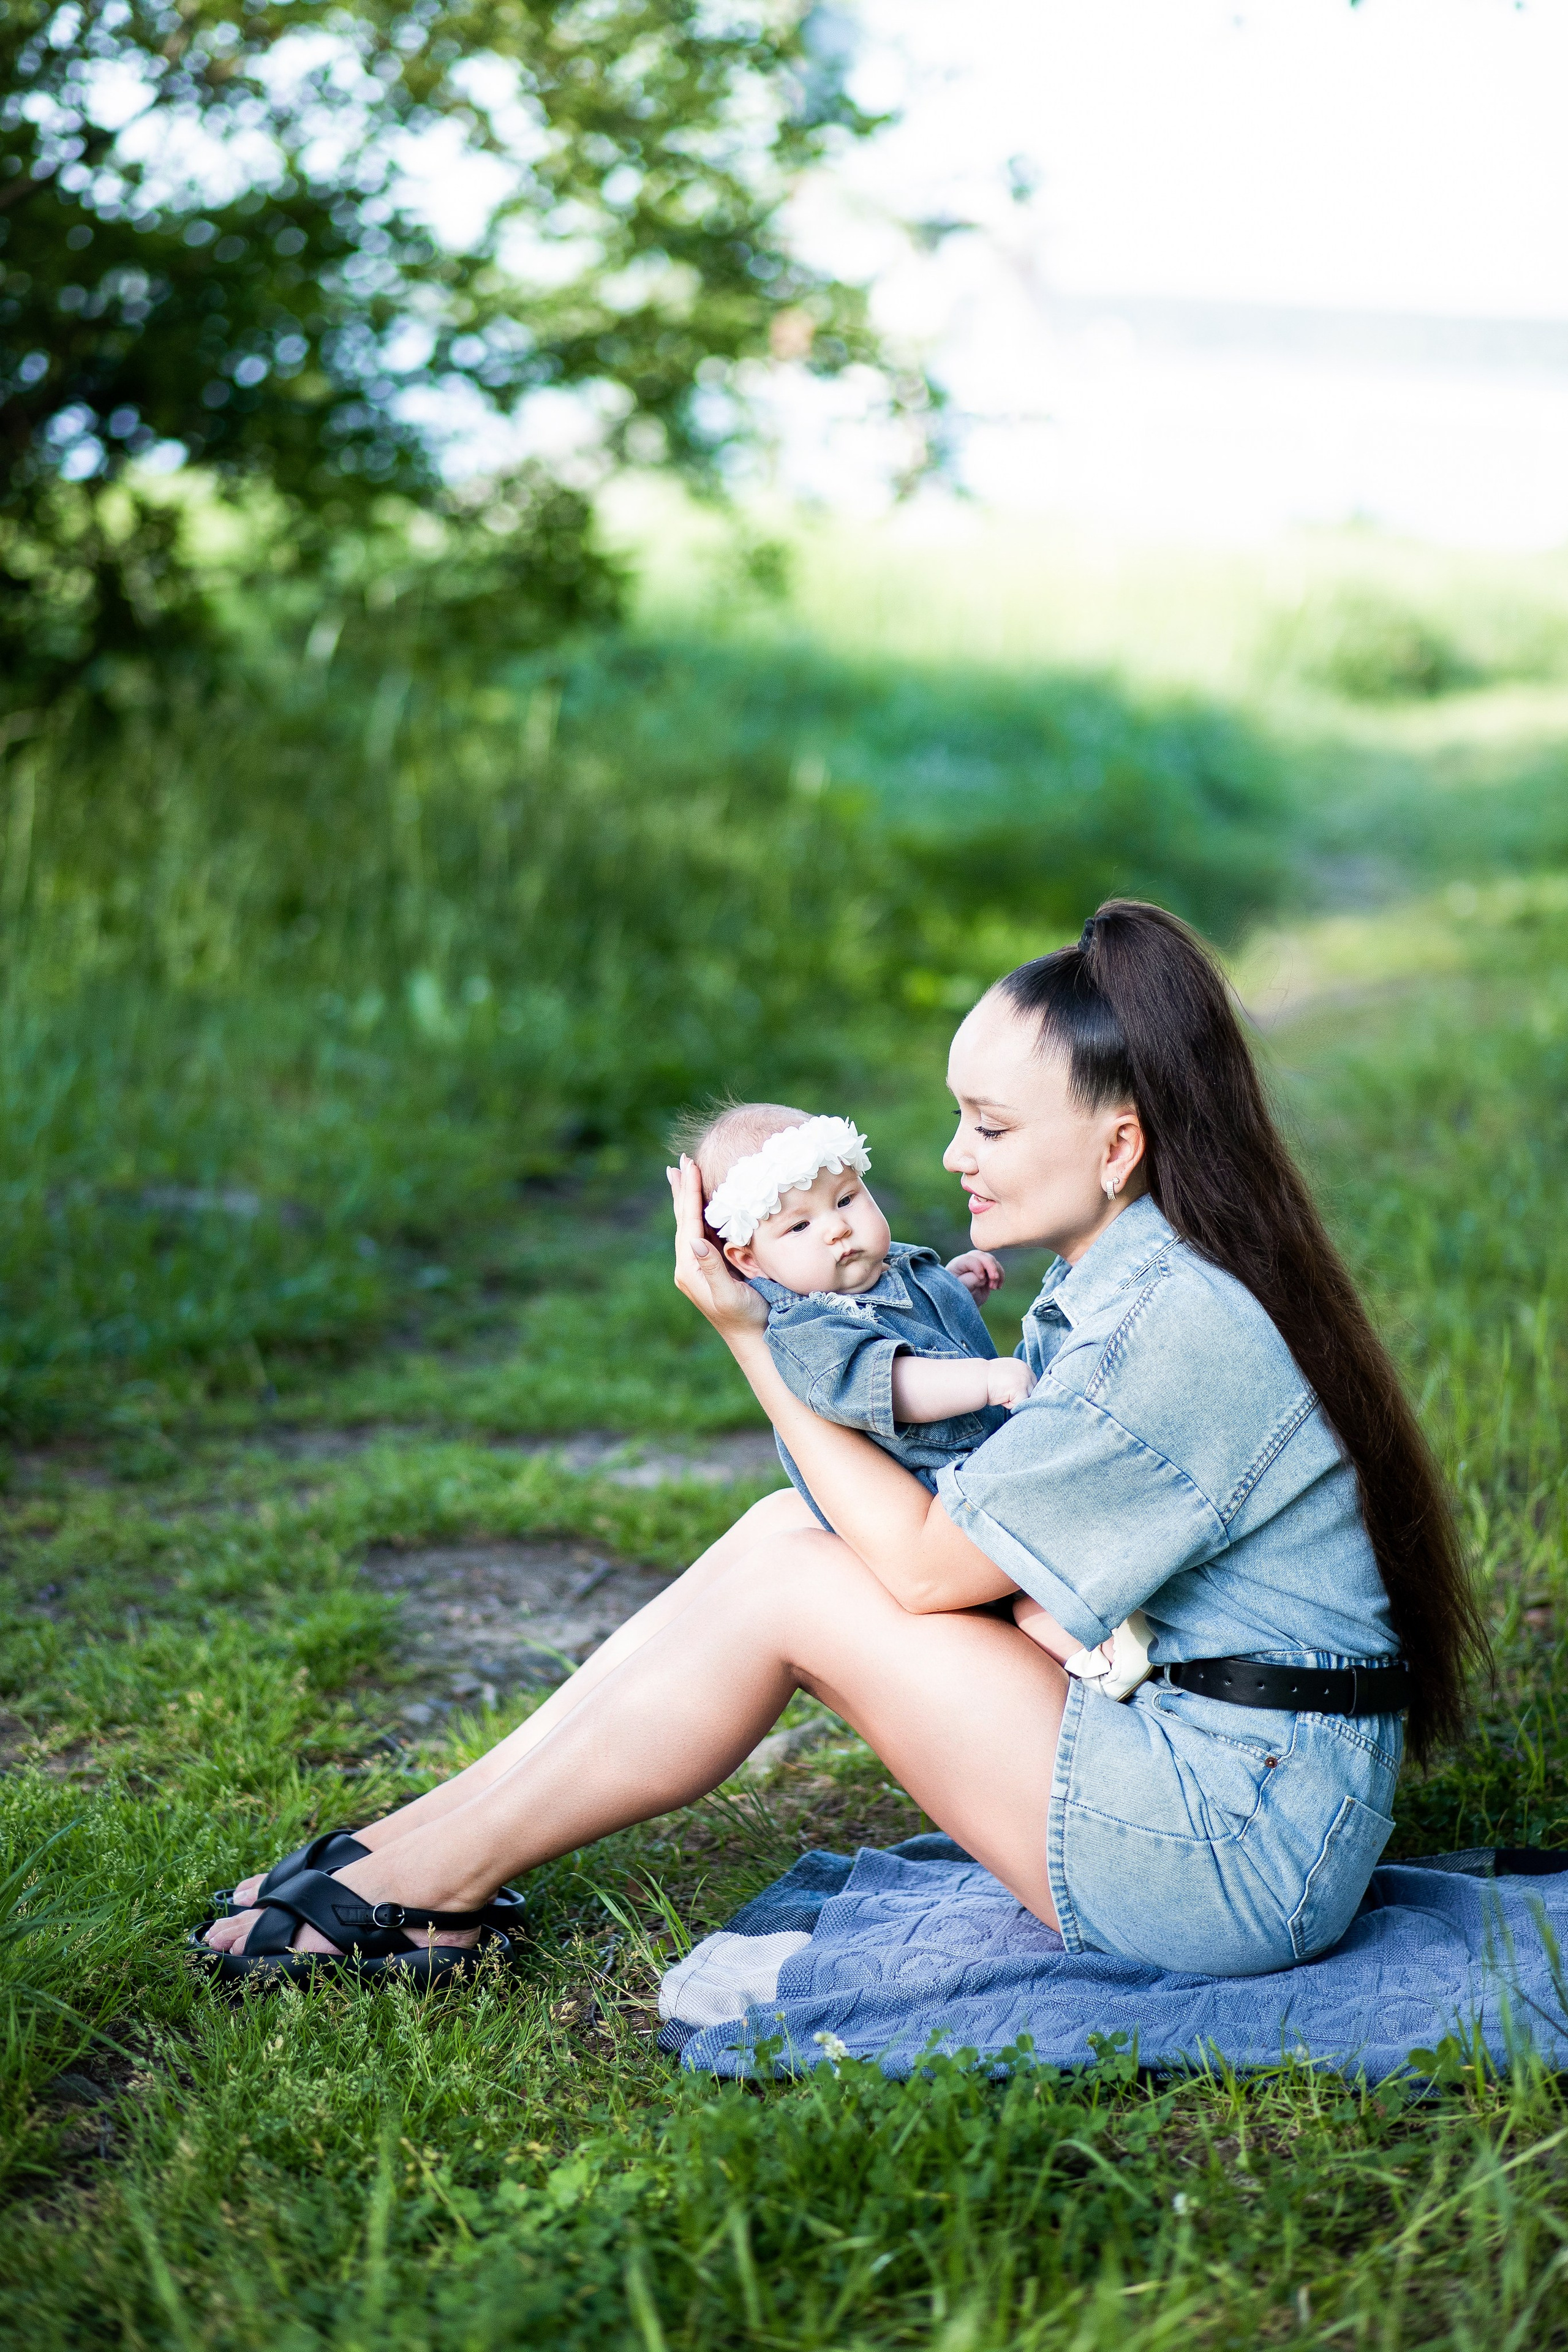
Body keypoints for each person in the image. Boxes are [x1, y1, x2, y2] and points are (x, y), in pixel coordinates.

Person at [199, 900, 1483, 1981]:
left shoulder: (1166, 1324)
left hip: (1227, 1853)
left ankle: (419, 1887)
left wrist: (755, 1339)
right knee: (782, 1535)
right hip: (1223, 1770)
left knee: (795, 1573)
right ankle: (411, 1856)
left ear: (1119, 1143)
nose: (948, 1156)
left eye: (986, 1125)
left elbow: (925, 1572)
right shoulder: (1123, 1279)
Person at [679, 1099, 1033, 1526]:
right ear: (749, 1260)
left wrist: (950, 1290)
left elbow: (913, 1329)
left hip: (989, 1473)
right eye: (799, 1226)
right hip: (938, 1507)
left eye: (845, 1198)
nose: (837, 1228)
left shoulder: (890, 1266)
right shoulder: (810, 1328)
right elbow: (891, 1385)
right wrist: (985, 1381)